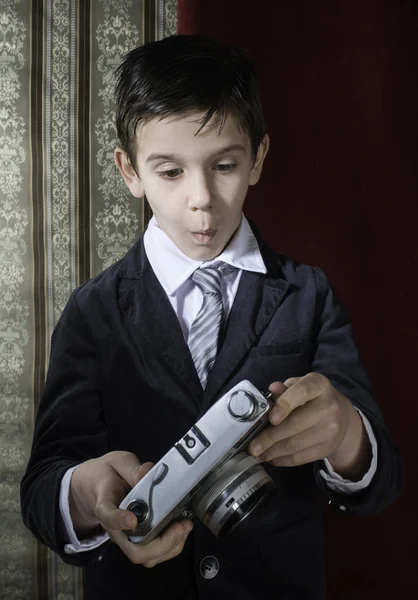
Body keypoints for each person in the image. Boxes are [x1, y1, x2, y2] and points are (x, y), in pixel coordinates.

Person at [20, 34, 402, 600]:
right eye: (170, 172)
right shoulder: (93, 312)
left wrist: (346, 433)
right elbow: (42, 487)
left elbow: (382, 479)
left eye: (224, 164)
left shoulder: (308, 294)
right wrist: (85, 494)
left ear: (258, 159)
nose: (201, 198)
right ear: (129, 171)